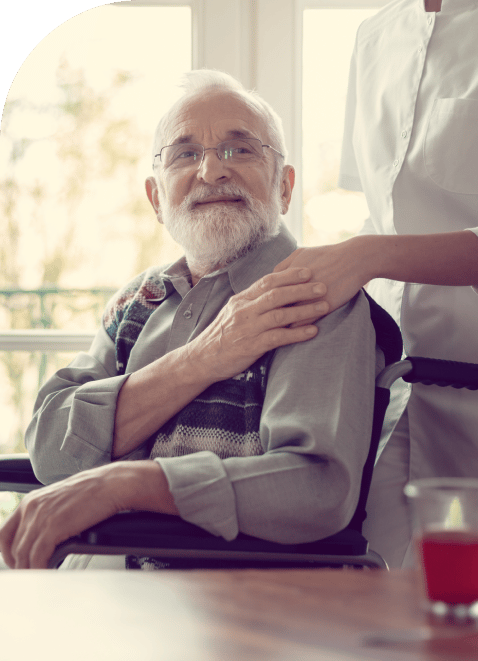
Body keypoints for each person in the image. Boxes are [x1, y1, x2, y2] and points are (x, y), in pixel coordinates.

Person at [0, 69, 386, 570]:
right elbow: (52, 448)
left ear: (284, 187)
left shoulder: (315, 293)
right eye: (185, 154)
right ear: (157, 198)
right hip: (92, 594)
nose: (211, 171)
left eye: (240, 149)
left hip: (234, 613)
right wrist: (202, 360)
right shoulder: (135, 302)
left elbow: (317, 490)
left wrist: (127, 485)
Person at [275, 0, 478, 568]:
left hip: (471, 378)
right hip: (392, 387)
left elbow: (379, 244)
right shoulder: (374, 35)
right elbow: (382, 216)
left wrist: (368, 255)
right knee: (381, 597)